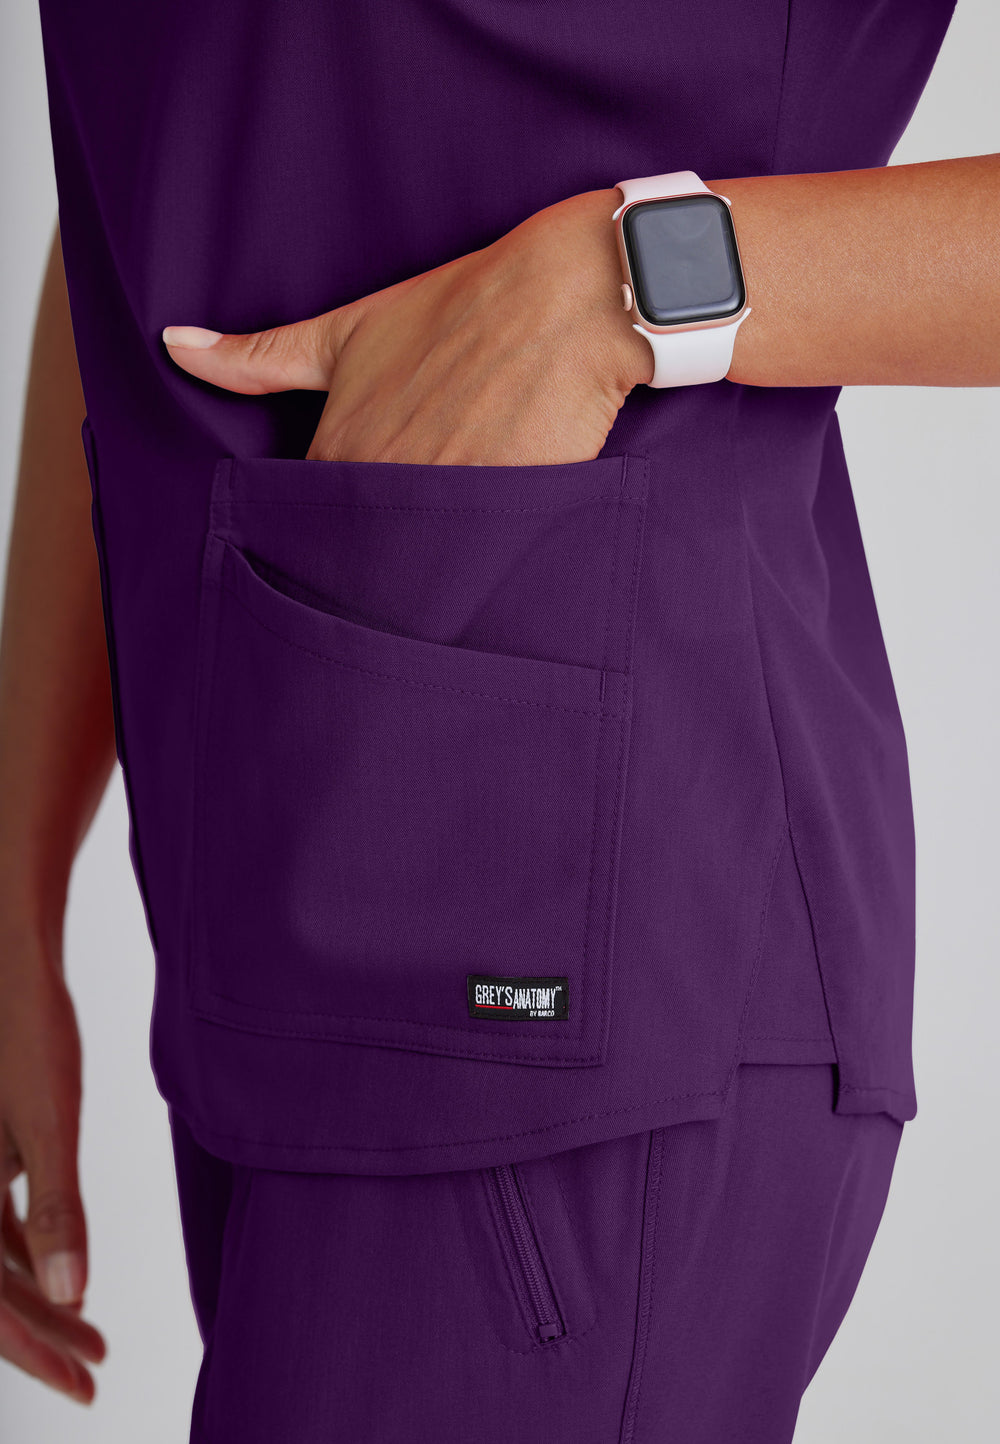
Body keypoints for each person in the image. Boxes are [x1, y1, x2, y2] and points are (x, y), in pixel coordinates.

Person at [0, 1, 995, 1439]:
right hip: (277, 919)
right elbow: (160, 213)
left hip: (590, 974)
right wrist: (16, 882)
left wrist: (617, 289)